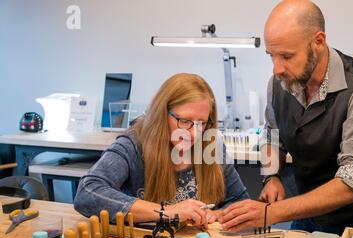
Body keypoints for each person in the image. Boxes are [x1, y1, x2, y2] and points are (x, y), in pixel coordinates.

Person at [221, 0, 353, 235]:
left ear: (318, 42)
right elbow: (272, 135)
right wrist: (271, 176)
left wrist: (272, 213)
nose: (276, 68)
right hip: (306, 213)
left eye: (286, 55)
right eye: (271, 55)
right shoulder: (279, 83)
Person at [74, 73, 249, 228]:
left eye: (201, 123)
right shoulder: (134, 144)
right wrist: (167, 212)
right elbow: (87, 193)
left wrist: (217, 215)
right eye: (185, 121)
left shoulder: (211, 145)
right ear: (162, 114)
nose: (195, 133)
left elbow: (240, 202)